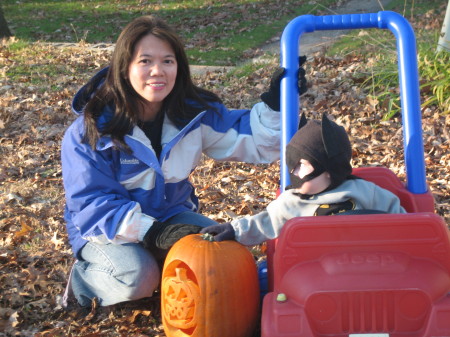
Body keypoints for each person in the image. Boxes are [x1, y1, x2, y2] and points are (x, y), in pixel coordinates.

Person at [60, 15, 307, 308]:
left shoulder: (192, 114)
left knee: (225, 254)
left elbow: (254, 141)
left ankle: (158, 268)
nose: (158, 71)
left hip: (170, 215)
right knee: (137, 276)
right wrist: (153, 233)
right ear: (124, 69)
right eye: (145, 61)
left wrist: (276, 105)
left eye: (167, 61)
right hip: (105, 232)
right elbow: (92, 205)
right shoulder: (91, 131)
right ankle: (82, 285)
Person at [201, 113, 407, 245]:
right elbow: (264, 223)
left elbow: (404, 224)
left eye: (303, 166)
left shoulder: (364, 191)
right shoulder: (292, 202)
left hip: (369, 264)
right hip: (314, 270)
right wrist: (233, 229)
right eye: (292, 166)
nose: (295, 173)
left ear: (328, 170)